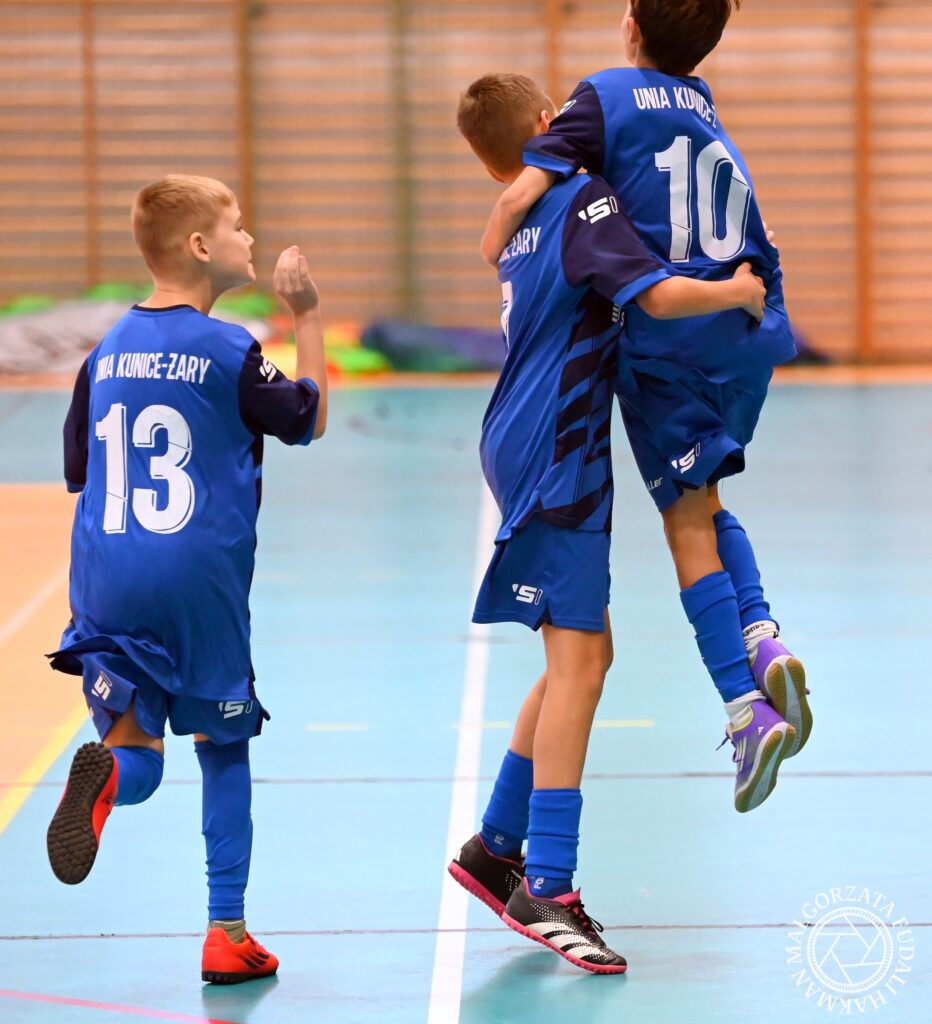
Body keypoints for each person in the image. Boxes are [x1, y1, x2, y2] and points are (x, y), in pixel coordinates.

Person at [449, 73, 768, 975]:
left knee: (579, 657)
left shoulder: (523, 216)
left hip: (537, 436)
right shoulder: (579, 199)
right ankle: (549, 886)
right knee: (581, 665)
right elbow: (657, 297)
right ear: (548, 125)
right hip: (555, 445)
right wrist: (740, 290)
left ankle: (495, 848)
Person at [479, 0, 811, 815]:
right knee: (706, 498)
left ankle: (744, 706)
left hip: (676, 332)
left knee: (684, 524)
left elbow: (523, 190)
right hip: (749, 328)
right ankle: (760, 633)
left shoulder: (601, 100)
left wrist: (493, 241)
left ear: (630, 27)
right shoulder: (700, 104)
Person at [46, 174, 327, 984]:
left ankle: (106, 783)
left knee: (134, 751)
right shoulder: (229, 349)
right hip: (196, 584)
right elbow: (307, 419)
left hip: (106, 577)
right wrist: (306, 316)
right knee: (222, 745)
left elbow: (79, 470)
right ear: (202, 247)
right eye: (237, 225)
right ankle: (225, 932)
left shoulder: (104, 351)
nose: (249, 236)